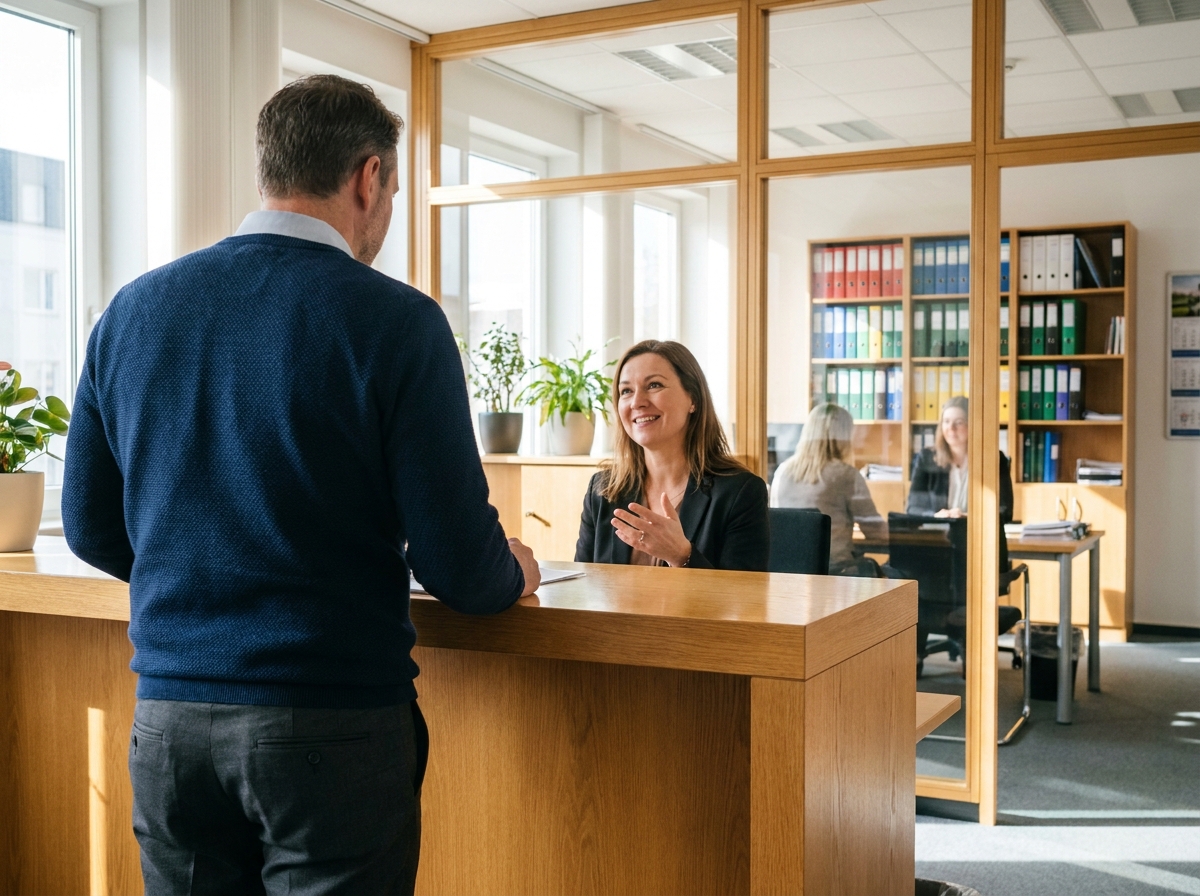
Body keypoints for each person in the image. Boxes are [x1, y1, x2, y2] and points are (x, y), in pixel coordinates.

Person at [61, 75, 539, 896]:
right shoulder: (397, 323)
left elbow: (90, 527)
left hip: (168, 723)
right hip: (330, 724)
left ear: (269, 172)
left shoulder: (132, 312)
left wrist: (200, 576)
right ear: (368, 178)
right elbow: (462, 567)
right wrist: (518, 569)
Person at [575, 340, 768, 570]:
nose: (637, 402)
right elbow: (582, 588)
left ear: (693, 399)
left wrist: (682, 556)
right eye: (626, 391)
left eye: (654, 385)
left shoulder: (740, 493)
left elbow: (742, 601)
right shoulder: (602, 490)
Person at [770, 403, 886, 576]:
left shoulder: (782, 472)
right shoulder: (845, 475)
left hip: (788, 572)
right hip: (837, 573)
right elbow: (875, 531)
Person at [907, 395, 1013, 524]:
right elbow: (913, 508)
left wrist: (966, 517)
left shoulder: (993, 459)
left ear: (972, 425)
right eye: (946, 421)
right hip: (939, 537)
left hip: (978, 537)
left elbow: (1005, 511)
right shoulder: (927, 457)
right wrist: (937, 516)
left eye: (959, 422)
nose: (951, 428)